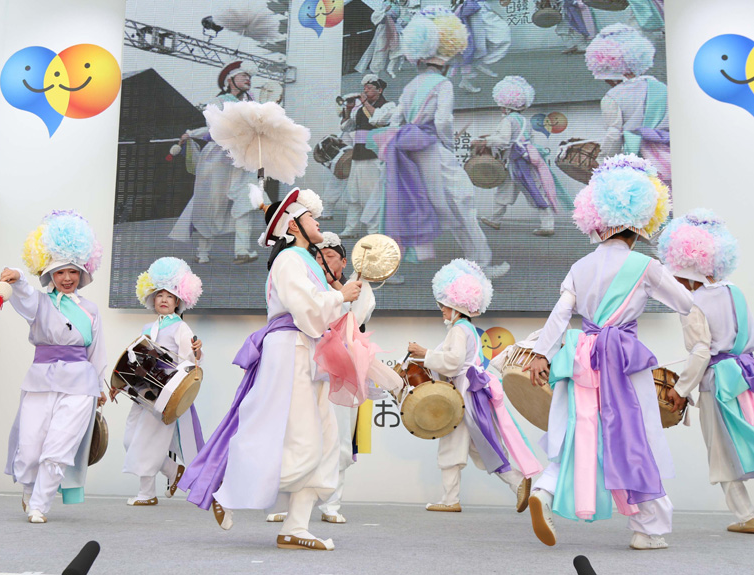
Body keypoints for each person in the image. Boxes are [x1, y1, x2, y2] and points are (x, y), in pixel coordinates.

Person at [179, 187, 363, 551]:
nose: (317, 221)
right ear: (293, 226)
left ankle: (295, 525)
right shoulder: (289, 261)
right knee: (303, 440)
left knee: (325, 442)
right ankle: (224, 486)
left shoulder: (304, 260)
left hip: (307, 349)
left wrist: (340, 298)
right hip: (291, 349)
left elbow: (318, 311)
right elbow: (303, 307)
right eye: (310, 216)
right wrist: (340, 296)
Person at [524, 155, 693, 550]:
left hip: (582, 355)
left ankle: (545, 491)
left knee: (578, 431)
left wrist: (540, 355)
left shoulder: (580, 265)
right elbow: (685, 303)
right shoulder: (643, 265)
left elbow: (560, 314)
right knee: (633, 435)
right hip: (621, 360)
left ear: (597, 222)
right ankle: (648, 528)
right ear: (640, 224)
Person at [368, 7, 510, 279]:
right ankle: (480, 263)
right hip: (431, 149)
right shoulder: (443, 84)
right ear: (445, 57)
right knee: (461, 202)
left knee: (401, 203)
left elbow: (396, 120)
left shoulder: (411, 85)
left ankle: (387, 268)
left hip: (405, 150)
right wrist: (446, 144)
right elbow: (443, 121)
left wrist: (398, 145)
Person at [407, 259, 542, 512]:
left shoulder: (459, 330)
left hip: (462, 395)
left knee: (454, 444)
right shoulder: (465, 328)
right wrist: (425, 355)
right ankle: (516, 483)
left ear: (457, 306)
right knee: (479, 446)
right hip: (469, 393)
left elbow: (453, 362)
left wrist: (424, 354)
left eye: (445, 306)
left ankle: (451, 499)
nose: (442, 310)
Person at [1, 210, 107, 524]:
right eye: (60, 272)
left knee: (59, 447)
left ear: (82, 273)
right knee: (31, 446)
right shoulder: (40, 302)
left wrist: (101, 388)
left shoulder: (90, 310)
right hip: (40, 381)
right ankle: (29, 489)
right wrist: (17, 276)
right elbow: (24, 296)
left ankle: (40, 504)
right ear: (50, 273)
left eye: (72, 271)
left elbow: (96, 351)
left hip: (80, 385)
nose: (67, 278)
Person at [266, 231, 377, 525]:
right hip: (307, 369)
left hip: (339, 375)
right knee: (295, 435)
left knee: (337, 441)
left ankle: (332, 504)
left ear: (343, 261)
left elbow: (361, 314)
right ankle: (284, 504)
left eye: (329, 257)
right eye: (318, 257)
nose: (322, 261)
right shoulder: (309, 288)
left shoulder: (352, 289)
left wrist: (344, 291)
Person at [657, 209, 754, 535]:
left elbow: (700, 350)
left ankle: (747, 514)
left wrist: (681, 389)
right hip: (747, 376)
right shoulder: (735, 292)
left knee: (720, 450)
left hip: (718, 383)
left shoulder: (693, 302)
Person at [112, 257, 205, 506]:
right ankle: (174, 471)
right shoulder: (147, 327)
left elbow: (192, 360)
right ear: (152, 299)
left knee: (147, 442)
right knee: (131, 440)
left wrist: (197, 350)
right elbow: (136, 362)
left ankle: (147, 494)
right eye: (159, 294)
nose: (164, 299)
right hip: (143, 395)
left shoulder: (180, 328)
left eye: (170, 295)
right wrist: (119, 383)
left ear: (178, 301)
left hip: (164, 397)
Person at [169, 60, 269, 264]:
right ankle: (202, 251)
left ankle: (242, 250)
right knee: (211, 205)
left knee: (246, 201)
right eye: (243, 76)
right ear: (230, 80)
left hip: (243, 159)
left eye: (249, 77)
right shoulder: (219, 101)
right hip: (219, 157)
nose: (248, 79)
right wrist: (191, 134)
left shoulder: (251, 102)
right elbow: (215, 129)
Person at [477, 76, 570, 236]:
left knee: (532, 191)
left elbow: (504, 140)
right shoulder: (523, 121)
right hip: (522, 160)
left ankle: (547, 225)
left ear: (505, 106)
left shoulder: (507, 121)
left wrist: (485, 141)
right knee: (508, 189)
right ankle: (495, 219)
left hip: (518, 163)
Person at [585, 24, 670, 187]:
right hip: (669, 160)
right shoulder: (663, 88)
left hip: (637, 165)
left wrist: (602, 163)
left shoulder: (612, 97)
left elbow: (613, 136)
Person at [339, 75, 395, 238]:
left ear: (380, 90)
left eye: (370, 88)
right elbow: (346, 127)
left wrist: (364, 103)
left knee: (372, 194)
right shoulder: (359, 108)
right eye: (364, 87)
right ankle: (351, 228)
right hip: (358, 153)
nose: (365, 90)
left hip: (374, 155)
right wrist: (349, 109)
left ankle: (374, 230)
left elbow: (380, 121)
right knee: (353, 193)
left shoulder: (388, 106)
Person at [452, 0, 511, 94]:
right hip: (472, 8)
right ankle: (467, 79)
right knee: (471, 45)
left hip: (479, 8)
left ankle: (479, 62)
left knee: (498, 37)